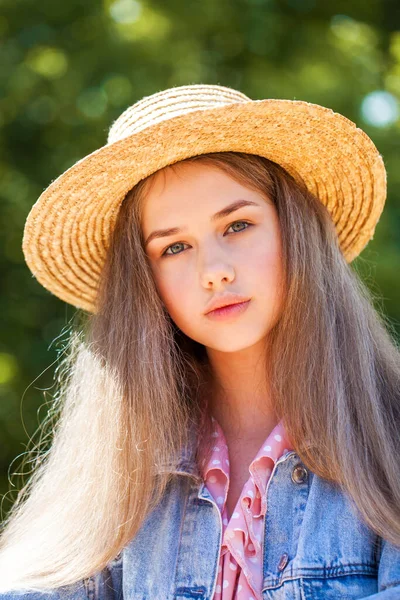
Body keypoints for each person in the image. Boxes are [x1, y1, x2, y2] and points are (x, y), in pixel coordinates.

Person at [0, 84, 399, 600]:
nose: (214, 271)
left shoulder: (386, 441)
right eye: (175, 247)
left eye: (237, 225)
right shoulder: (123, 474)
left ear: (294, 231)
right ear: (144, 282)